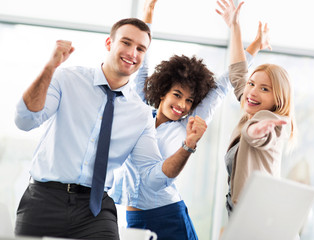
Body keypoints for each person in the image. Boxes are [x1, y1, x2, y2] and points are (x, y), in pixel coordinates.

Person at [14, 17, 208, 240]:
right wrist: (50, 68)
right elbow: (25, 120)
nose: (132, 53)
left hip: (95, 209)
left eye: (140, 48)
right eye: (126, 43)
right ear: (109, 43)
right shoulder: (67, 78)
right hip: (43, 199)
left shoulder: (140, 114)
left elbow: (153, 179)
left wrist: (188, 146)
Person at [108, 0, 272, 239]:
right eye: (177, 95)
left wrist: (254, 46)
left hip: (168, 216)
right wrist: (148, 15)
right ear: (162, 91)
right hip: (133, 218)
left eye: (189, 100)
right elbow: (143, 68)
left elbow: (223, 85)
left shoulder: (188, 124)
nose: (182, 106)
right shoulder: (142, 111)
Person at [216, 0, 296, 216]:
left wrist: (254, 130)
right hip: (245, 211)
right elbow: (238, 73)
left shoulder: (272, 121)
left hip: (261, 215)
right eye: (252, 84)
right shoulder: (251, 107)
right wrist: (235, 27)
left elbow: (258, 134)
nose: (252, 91)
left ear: (278, 99)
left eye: (264, 89)